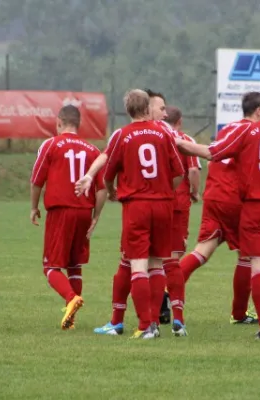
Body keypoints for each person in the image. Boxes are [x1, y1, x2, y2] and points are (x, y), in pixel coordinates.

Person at [176, 90, 260, 338]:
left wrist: (180, 144)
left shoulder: (245, 131)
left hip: (250, 204)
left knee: (257, 265)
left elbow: (212, 153)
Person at [88, 89, 178, 335]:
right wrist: (167, 193)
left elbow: (107, 175)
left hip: (136, 205)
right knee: (157, 265)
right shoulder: (164, 133)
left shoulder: (123, 135)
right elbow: (178, 173)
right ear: (148, 108)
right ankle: (156, 324)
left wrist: (112, 191)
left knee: (136, 265)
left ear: (127, 111)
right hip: (163, 204)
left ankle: (144, 325)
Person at [179, 92, 260, 325]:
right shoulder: (253, 131)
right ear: (259, 110)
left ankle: (169, 290)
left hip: (214, 195)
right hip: (233, 198)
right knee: (246, 255)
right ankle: (239, 313)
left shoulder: (228, 128)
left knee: (202, 251)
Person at [29, 105, 108, 330]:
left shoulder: (51, 145)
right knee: (75, 265)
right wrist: (96, 216)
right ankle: (71, 317)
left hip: (60, 210)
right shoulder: (93, 150)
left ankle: (71, 299)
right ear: (78, 123)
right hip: (84, 211)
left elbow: (36, 180)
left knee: (51, 267)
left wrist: (33, 207)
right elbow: (102, 189)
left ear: (59, 121)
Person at [156, 105, 202, 335]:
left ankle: (153, 311)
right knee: (173, 257)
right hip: (179, 202)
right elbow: (193, 170)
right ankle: (170, 307)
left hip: (155, 201)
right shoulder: (184, 139)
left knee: (151, 257)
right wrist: (195, 191)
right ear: (179, 121)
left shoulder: (154, 135)